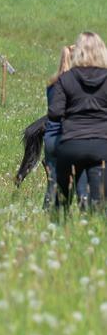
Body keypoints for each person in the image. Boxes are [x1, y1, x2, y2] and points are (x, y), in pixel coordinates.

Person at [48, 31, 107, 213]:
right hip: (102, 146)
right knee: (98, 205)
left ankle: (58, 226)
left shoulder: (66, 78)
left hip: (72, 144)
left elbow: (55, 113)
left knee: (61, 200)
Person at [43, 45, 88, 208]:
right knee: (83, 186)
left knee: (53, 186)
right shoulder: (77, 85)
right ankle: (87, 215)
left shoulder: (52, 84)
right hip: (73, 138)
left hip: (51, 140)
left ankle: (50, 216)